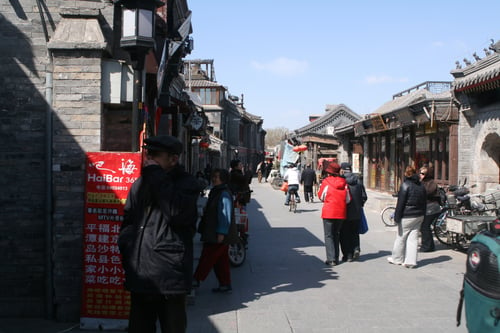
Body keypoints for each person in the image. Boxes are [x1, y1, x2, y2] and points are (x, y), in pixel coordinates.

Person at [118, 135, 200, 333]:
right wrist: (126, 244)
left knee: (172, 327)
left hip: (169, 274)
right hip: (140, 272)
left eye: (156, 155)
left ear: (173, 159)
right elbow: (128, 218)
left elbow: (177, 213)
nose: (150, 159)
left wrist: (156, 175)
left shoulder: (187, 184)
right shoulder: (141, 183)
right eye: (149, 153)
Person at [193, 168, 238, 293]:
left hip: (218, 233)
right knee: (220, 260)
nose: (213, 179)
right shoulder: (215, 191)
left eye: (216, 177)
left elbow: (225, 214)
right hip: (212, 230)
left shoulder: (224, 193)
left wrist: (221, 232)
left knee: (207, 256)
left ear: (222, 179)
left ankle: (196, 279)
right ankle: (225, 283)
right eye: (213, 176)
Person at [388, 166, 427, 268]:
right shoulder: (421, 186)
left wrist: (397, 217)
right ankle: (410, 261)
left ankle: (397, 259)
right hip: (419, 215)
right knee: (413, 239)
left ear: (406, 173)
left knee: (401, 237)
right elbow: (424, 202)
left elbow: (400, 203)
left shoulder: (405, 185)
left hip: (407, 215)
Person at [317, 162, 347, 266]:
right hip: (341, 212)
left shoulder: (326, 182)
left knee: (328, 235)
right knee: (336, 234)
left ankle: (331, 259)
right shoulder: (344, 182)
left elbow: (321, 196)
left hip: (329, 212)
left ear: (329, 172)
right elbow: (348, 199)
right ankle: (336, 257)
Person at [339, 162, 367, 262]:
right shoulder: (358, 180)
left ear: (342, 170)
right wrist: (359, 205)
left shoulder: (341, 180)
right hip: (357, 212)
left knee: (345, 233)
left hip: (344, 212)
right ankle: (356, 248)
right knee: (355, 232)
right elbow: (364, 197)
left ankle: (348, 255)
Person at [419, 166, 440, 252]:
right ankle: (430, 245)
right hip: (426, 207)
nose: (420, 175)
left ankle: (427, 246)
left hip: (432, 208)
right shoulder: (422, 182)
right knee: (424, 227)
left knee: (425, 226)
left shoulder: (431, 183)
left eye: (423, 173)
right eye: (420, 173)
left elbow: (428, 192)